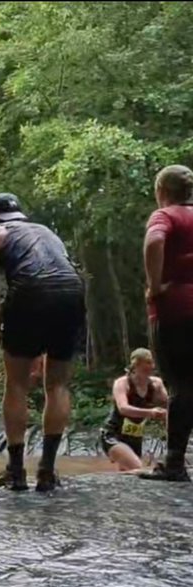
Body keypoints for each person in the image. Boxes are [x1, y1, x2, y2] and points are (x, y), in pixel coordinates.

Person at [0, 193, 86, 492]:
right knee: (58, 385)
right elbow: (58, 271)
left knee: (17, 385)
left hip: (30, 293)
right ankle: (47, 471)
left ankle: (16, 471)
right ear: (20, 216)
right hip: (71, 292)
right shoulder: (48, 233)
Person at [140, 165, 193, 482]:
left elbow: (154, 241)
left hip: (177, 311)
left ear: (162, 191)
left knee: (181, 385)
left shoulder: (166, 216)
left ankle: (174, 463)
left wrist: (155, 284)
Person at [101, 348, 168, 471]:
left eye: (151, 364)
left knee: (128, 474)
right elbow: (123, 408)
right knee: (137, 468)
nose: (150, 369)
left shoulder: (156, 384)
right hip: (113, 435)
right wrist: (151, 413)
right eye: (145, 367)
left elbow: (169, 406)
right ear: (135, 366)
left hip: (135, 437)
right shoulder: (122, 383)